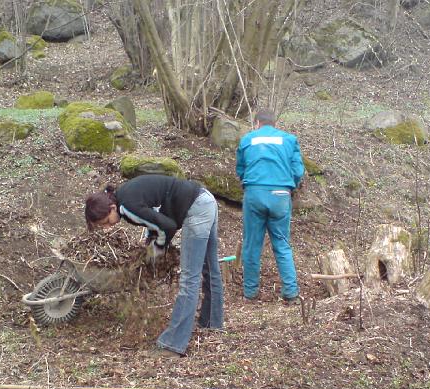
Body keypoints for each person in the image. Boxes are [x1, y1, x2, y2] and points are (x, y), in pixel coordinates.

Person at [85, 174, 223, 358]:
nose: (109, 227)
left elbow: (168, 226)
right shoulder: (124, 194)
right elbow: (154, 213)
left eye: (107, 221)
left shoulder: (126, 207)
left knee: (189, 279)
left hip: (195, 210)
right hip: (205, 199)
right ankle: (212, 321)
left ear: (111, 208)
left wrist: (157, 248)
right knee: (210, 267)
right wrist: (151, 238)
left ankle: (173, 345)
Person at [236, 109, 305, 303]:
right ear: (274, 124)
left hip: (255, 193)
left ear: (257, 123)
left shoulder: (248, 139)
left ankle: (250, 293)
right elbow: (298, 170)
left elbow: (240, 169)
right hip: (281, 195)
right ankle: (291, 293)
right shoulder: (289, 140)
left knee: (251, 245)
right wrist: (286, 184)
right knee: (282, 244)